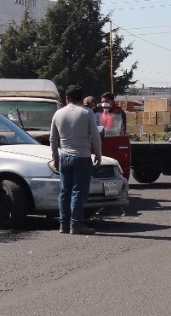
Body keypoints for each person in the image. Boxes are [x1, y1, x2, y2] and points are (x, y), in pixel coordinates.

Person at [50, 85, 102, 235]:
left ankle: (63, 224)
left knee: (64, 191)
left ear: (68, 98)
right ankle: (77, 224)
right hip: (82, 156)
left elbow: (53, 138)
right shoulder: (87, 113)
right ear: (81, 98)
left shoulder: (58, 113)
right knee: (78, 191)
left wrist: (55, 157)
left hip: (64, 156)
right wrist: (98, 154)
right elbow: (95, 136)